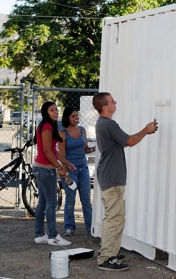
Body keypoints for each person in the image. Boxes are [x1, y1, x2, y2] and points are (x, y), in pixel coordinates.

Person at [94, 92, 158, 272]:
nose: (115, 102)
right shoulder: (108, 123)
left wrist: (142, 133)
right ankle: (107, 257)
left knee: (114, 217)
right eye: (112, 101)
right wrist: (146, 130)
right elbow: (129, 141)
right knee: (115, 218)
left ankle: (109, 252)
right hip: (112, 177)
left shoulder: (103, 124)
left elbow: (120, 143)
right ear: (105, 107)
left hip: (109, 176)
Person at [33, 101, 72, 246]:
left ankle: (39, 234)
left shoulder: (49, 125)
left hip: (42, 168)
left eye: (56, 109)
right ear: (45, 112)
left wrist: (66, 162)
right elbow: (47, 152)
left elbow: (54, 151)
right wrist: (58, 167)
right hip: (45, 169)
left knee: (43, 202)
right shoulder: (47, 126)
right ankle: (53, 236)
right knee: (52, 202)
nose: (55, 112)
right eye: (51, 110)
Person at [58, 106, 95, 236]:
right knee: (71, 199)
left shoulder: (82, 130)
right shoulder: (63, 133)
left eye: (77, 115)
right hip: (70, 170)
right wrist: (65, 172)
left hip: (83, 168)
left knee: (86, 199)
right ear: (67, 117)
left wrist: (96, 148)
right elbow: (61, 155)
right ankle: (69, 226)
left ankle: (90, 226)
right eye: (73, 116)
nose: (76, 118)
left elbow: (86, 149)